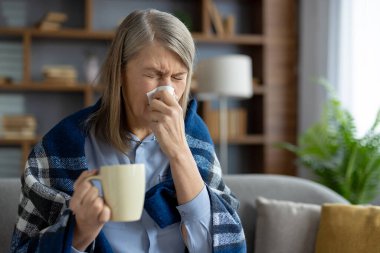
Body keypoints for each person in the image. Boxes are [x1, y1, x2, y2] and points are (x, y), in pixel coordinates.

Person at [10, 9, 246, 253]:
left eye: (178, 77)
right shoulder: (58, 148)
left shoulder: (195, 140)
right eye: (153, 74)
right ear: (120, 72)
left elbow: (223, 246)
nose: (166, 91)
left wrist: (179, 153)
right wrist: (78, 233)